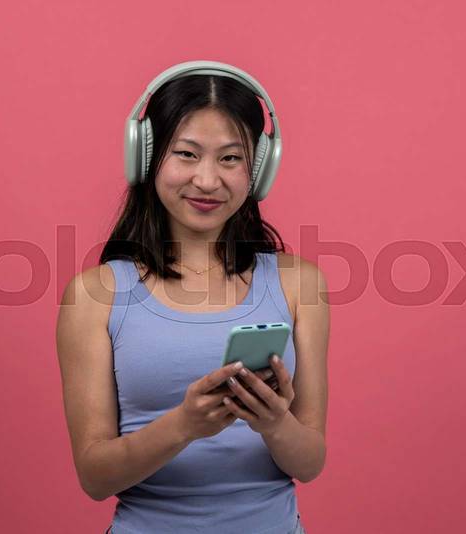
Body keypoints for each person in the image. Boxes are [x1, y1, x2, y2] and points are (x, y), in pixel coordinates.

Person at [56, 61, 329, 534]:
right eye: (186, 154)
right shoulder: (93, 296)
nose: (207, 180)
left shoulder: (300, 285)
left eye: (230, 159)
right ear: (146, 156)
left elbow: (310, 463)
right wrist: (184, 424)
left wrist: (273, 422)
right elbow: (95, 478)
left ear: (259, 169)